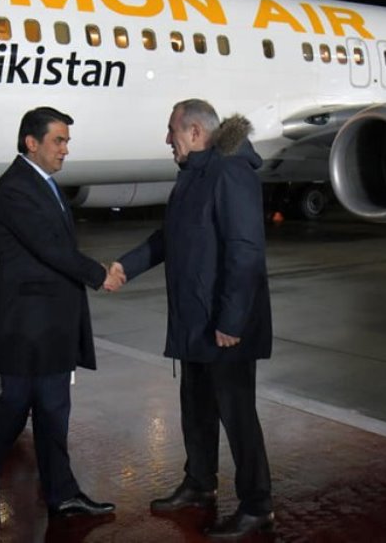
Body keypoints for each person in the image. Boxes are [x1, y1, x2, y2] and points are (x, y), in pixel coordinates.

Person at [111, 99, 274, 539]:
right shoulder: (194, 176)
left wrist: (232, 322)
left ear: (196, 132)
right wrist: (127, 266)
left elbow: (245, 251)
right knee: (196, 408)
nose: (168, 139)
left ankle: (257, 505)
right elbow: (170, 237)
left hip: (225, 326)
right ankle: (199, 484)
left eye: (173, 130)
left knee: (237, 415)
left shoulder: (230, 173)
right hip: (196, 321)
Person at [0, 106, 121, 523]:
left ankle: (61, 494)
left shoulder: (44, 184)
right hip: (27, 324)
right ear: (31, 142)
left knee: (52, 408)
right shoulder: (15, 188)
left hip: (49, 323)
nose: (65, 150)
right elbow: (49, 248)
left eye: (66, 141)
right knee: (15, 408)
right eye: (59, 141)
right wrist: (99, 274)